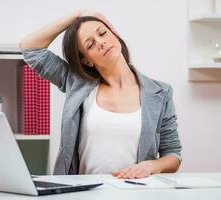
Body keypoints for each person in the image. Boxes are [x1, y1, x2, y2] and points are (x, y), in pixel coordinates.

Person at [19, 10, 182, 179]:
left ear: (114, 33)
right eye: (90, 45)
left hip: (135, 192)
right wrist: (76, 15)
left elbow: (173, 155)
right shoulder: (75, 83)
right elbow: (30, 48)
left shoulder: (160, 93)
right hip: (83, 193)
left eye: (103, 33)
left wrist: (150, 165)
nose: (101, 43)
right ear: (87, 60)